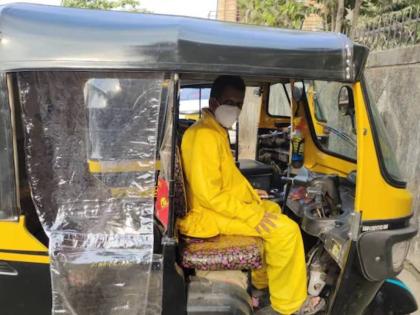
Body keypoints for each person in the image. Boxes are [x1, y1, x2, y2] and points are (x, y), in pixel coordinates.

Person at [177, 75, 324, 315]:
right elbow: (209, 195)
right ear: (214, 103)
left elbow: (223, 177)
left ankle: (260, 286)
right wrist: (251, 214)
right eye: (229, 102)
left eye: (239, 103)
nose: (234, 108)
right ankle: (290, 305)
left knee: (274, 211)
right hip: (206, 216)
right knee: (285, 232)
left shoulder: (215, 130)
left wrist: (249, 193)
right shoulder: (204, 136)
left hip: (213, 208)